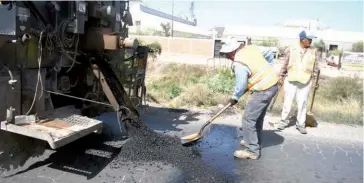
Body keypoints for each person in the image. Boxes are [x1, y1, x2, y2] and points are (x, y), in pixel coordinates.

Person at [219, 37, 279, 160]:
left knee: (248, 119)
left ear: (231, 51)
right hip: (273, 84)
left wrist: (234, 97)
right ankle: (252, 140)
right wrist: (268, 69)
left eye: (226, 54)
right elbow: (268, 52)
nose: (227, 57)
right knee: (257, 118)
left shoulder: (239, 63)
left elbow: (241, 85)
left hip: (263, 89)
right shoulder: (251, 49)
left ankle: (252, 150)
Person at [277, 30, 319, 134]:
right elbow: (285, 63)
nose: (311, 41)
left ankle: (300, 124)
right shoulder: (292, 49)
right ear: (302, 39)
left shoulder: (314, 51)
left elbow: (317, 68)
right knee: (287, 102)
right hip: (291, 79)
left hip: (305, 81)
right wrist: (281, 76)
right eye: (309, 39)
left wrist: (317, 81)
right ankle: (283, 121)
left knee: (302, 103)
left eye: (311, 39)